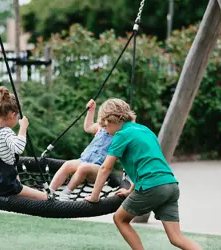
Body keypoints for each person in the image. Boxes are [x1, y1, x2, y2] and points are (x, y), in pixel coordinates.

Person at [84, 98, 202, 250]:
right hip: (171, 185)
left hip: (152, 186)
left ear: (112, 120)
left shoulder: (121, 135)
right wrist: (129, 191)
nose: (105, 129)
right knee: (176, 237)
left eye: (105, 125)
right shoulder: (145, 130)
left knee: (120, 219)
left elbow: (105, 168)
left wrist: (94, 197)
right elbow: (147, 165)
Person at [49, 99, 114, 201]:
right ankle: (50, 191)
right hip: (84, 160)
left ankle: (66, 193)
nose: (105, 126)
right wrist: (91, 111)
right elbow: (88, 127)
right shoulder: (100, 128)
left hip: (98, 169)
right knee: (67, 165)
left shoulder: (119, 134)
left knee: (84, 167)